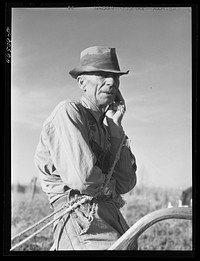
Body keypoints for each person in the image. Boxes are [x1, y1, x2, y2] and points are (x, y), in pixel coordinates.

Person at [34, 46, 137, 250]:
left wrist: (116, 127)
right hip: (80, 216)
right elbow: (85, 178)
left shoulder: (109, 128)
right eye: (102, 75)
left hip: (111, 215)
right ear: (81, 82)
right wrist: (110, 189)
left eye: (116, 77)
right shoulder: (69, 112)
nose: (112, 82)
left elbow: (126, 183)